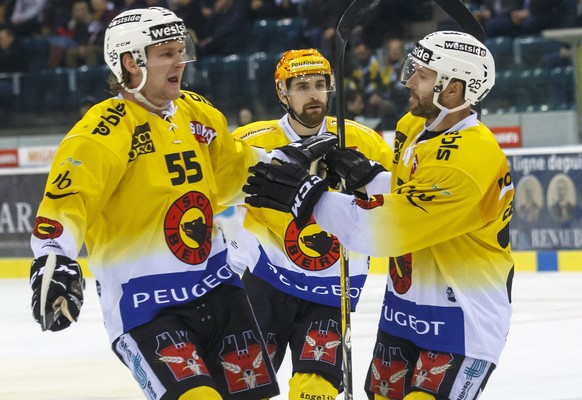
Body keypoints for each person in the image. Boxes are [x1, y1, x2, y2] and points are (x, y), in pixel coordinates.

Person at [242, 31, 515, 400]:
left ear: (452, 89)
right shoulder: (413, 127)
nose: (407, 80)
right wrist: (368, 176)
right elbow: (409, 192)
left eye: (420, 74)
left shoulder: (471, 160)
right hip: (404, 312)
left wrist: (307, 195)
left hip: (460, 321)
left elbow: (385, 229)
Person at [28, 7, 282, 400]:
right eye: (166, 53)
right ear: (131, 62)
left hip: (219, 291)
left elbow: (238, 169)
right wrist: (53, 256)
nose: (180, 62)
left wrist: (295, 170)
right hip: (146, 307)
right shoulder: (103, 130)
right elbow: (67, 200)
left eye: (181, 51)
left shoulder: (197, 113)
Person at [224, 48, 394, 399]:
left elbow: (399, 203)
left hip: (331, 290)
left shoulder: (362, 141)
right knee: (244, 387)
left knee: (315, 390)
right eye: (301, 86)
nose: (313, 94)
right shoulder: (250, 141)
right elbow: (215, 193)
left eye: (320, 84)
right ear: (282, 93)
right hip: (266, 283)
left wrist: (368, 181)